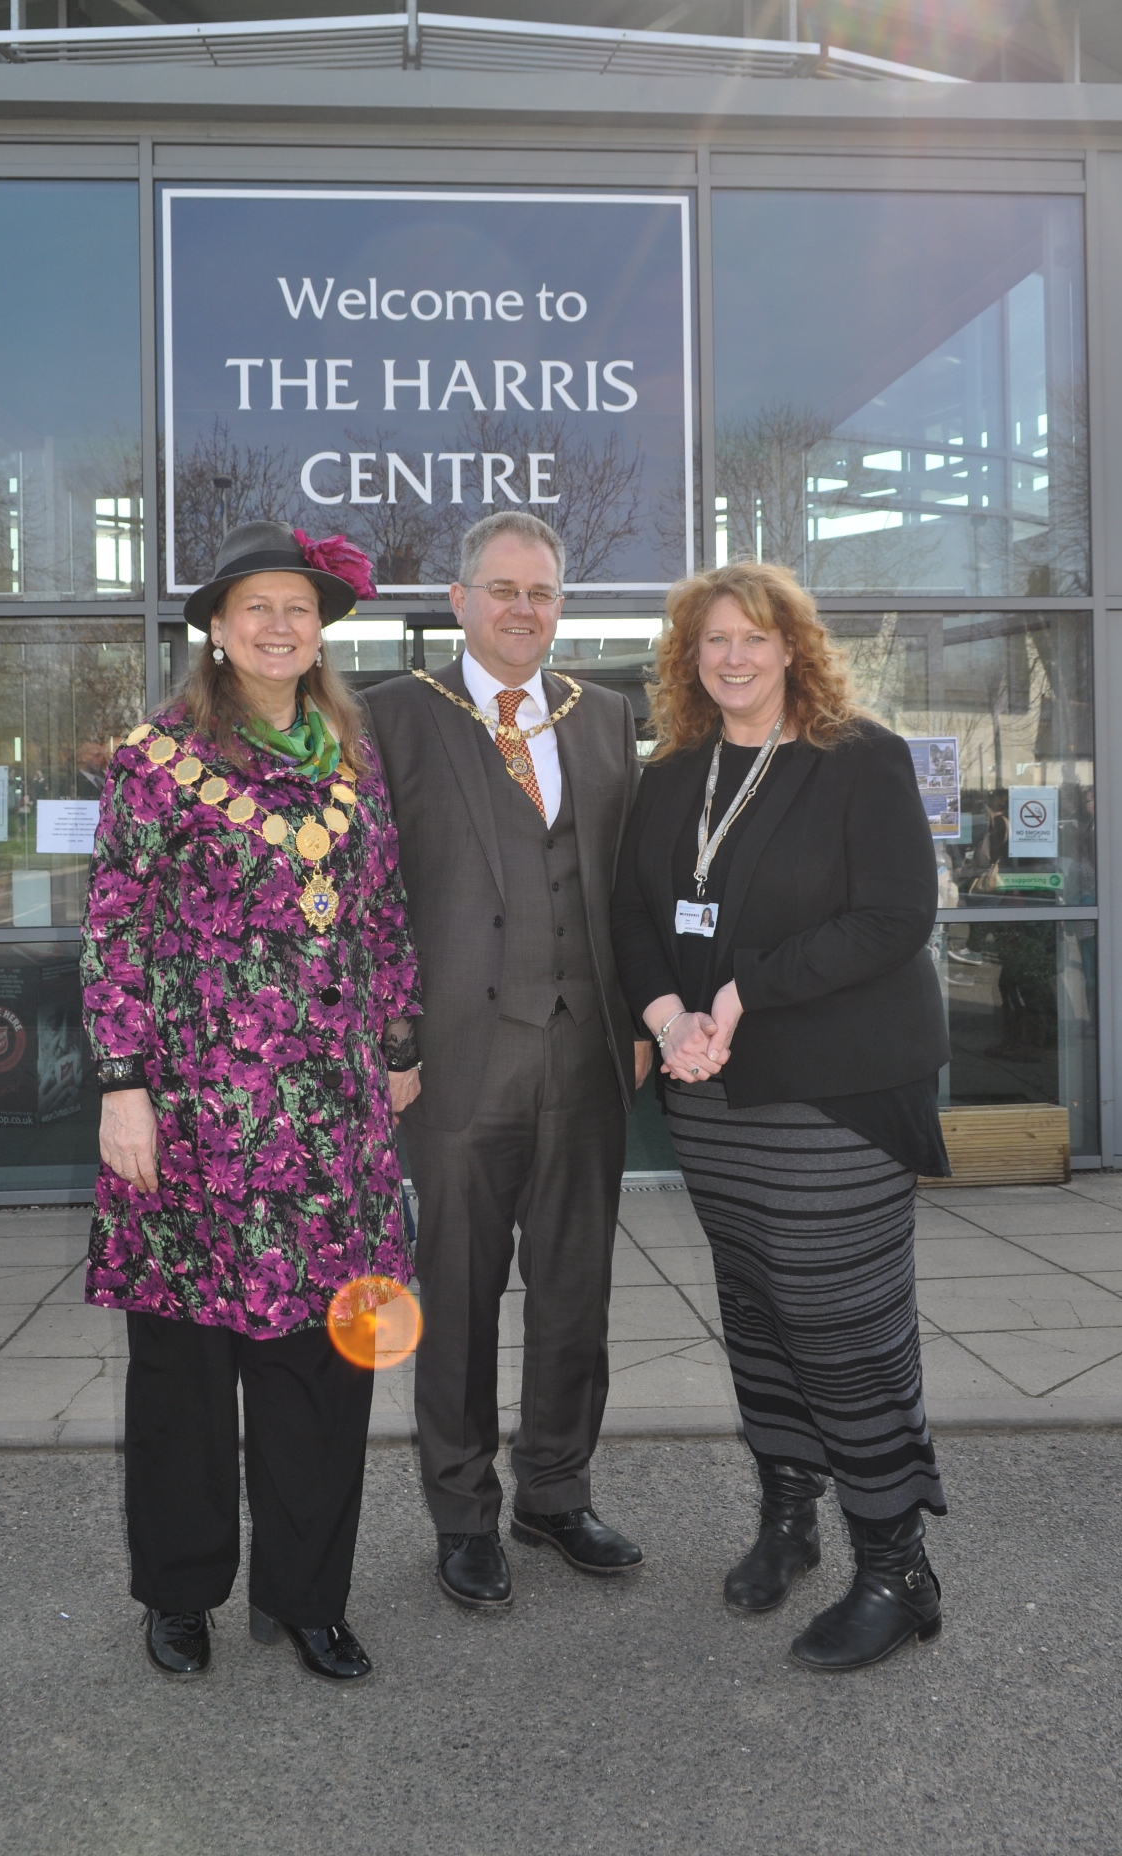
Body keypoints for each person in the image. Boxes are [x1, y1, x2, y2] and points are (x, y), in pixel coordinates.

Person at [82, 521, 422, 1683]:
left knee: (326, 1366)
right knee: (183, 1371)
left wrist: (401, 1040)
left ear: (318, 630)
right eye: (256, 607)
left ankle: (307, 1596)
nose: (282, 625)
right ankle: (179, 1594)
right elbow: (114, 927)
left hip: (331, 1120)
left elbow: (382, 914)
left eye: (300, 608)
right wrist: (122, 1086)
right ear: (217, 630)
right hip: (192, 1116)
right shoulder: (157, 755)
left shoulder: (351, 754)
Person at [610, 561, 951, 1673]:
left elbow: (895, 914)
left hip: (833, 1094)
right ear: (688, 657)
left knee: (841, 1327)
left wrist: (743, 992)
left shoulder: (860, 759)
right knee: (755, 1310)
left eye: (752, 637)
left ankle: (895, 1569)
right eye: (711, 640)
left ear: (792, 647)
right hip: (712, 1093)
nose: (732, 657)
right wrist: (670, 1017)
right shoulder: (671, 775)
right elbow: (631, 913)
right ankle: (788, 1518)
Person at [365, 511, 652, 1609]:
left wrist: (636, 1019)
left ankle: (555, 1490)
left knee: (576, 1292)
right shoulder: (395, 715)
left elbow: (621, 884)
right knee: (459, 1292)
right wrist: (390, 1041)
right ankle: (462, 1511)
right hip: (451, 1065)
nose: (521, 608)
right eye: (501, 589)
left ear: (559, 605)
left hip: (584, 1058)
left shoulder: (602, 716)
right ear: (458, 600)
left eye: (540, 591)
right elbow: (366, 901)